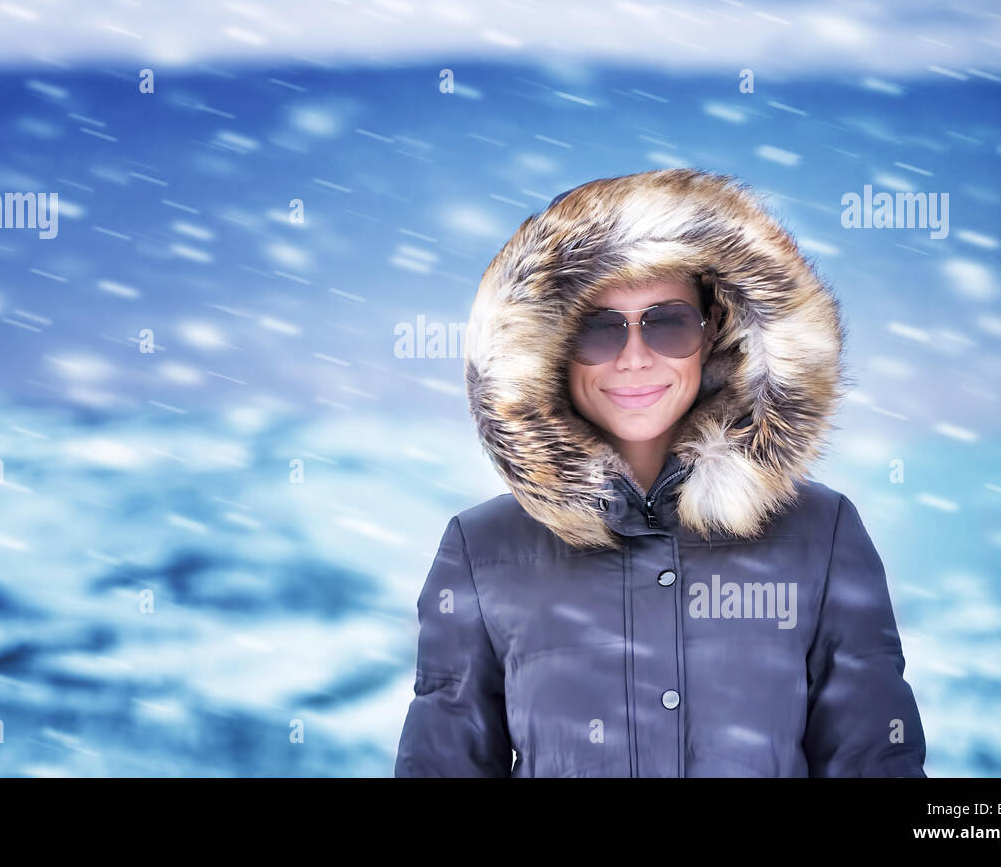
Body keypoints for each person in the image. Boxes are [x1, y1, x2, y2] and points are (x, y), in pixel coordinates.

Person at [393, 167, 928, 777]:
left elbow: (876, 763)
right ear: (548, 352)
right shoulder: (483, 549)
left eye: (668, 322)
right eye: (597, 328)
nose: (635, 358)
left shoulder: (821, 532)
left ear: (717, 332)